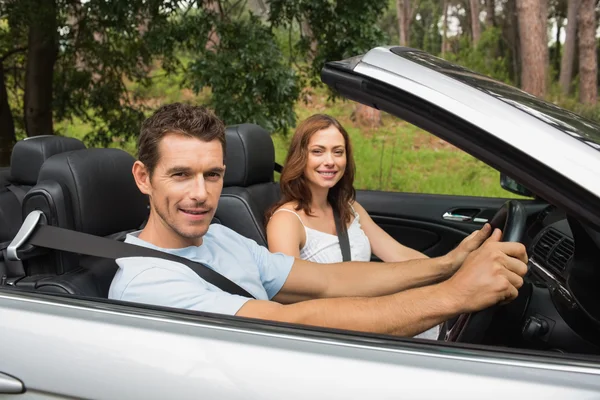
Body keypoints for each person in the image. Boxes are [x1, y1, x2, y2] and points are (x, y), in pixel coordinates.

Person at [108, 103, 528, 339]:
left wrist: (447, 266)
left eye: (213, 174)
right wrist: (455, 295)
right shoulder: (147, 282)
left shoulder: (219, 237)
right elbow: (290, 322)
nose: (200, 193)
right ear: (144, 178)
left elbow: (330, 282)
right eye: (181, 174)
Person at [266, 113, 427, 264]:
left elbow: (398, 254)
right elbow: (291, 290)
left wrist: (446, 267)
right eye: (318, 151)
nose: (330, 161)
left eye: (338, 152)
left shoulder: (348, 208)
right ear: (300, 158)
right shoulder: (286, 221)